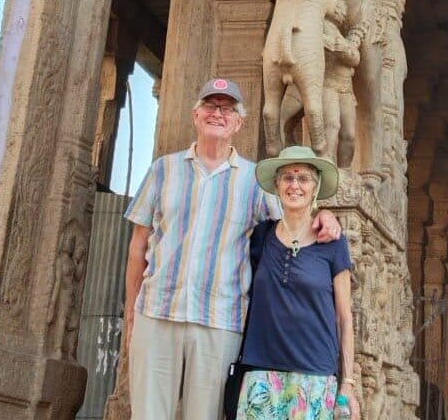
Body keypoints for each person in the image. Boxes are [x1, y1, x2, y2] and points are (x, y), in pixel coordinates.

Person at [123, 78, 341, 420]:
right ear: (196, 115)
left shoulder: (254, 182)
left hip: (219, 318)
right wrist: (131, 314)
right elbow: (138, 247)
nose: (218, 114)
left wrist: (324, 215)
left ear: (239, 123)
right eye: (210, 106)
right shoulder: (163, 170)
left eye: (227, 109)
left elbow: (293, 220)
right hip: (157, 311)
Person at [236, 145, 360, 420]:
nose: (295, 185)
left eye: (303, 178)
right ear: (277, 185)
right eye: (287, 178)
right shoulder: (261, 236)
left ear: (315, 188)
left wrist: (348, 383)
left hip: (315, 377)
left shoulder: (334, 243)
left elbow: (344, 317)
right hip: (262, 375)